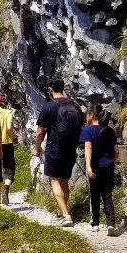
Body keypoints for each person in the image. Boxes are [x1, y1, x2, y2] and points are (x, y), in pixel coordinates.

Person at [33, 79, 83, 227]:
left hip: (54, 147)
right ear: (63, 88)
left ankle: (66, 215)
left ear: (50, 89)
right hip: (71, 147)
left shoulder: (49, 106)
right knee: (64, 181)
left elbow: (41, 131)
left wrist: (37, 148)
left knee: (54, 180)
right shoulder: (74, 105)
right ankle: (62, 212)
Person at [81, 104, 121, 236]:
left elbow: (88, 148)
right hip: (108, 166)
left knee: (94, 194)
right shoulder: (110, 130)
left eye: (87, 114)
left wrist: (88, 166)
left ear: (92, 115)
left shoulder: (87, 130)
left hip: (95, 167)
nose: (86, 117)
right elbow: (116, 152)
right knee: (107, 194)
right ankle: (110, 224)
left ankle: (95, 223)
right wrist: (111, 160)